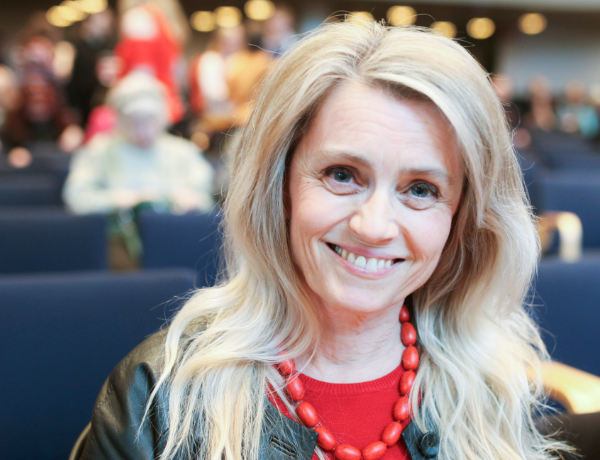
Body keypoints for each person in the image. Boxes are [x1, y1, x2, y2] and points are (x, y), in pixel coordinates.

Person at [71, 22, 566, 460]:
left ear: (461, 216)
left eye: (421, 189)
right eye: (341, 174)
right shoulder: (159, 396)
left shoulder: (491, 384)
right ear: (279, 185)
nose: (374, 226)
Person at [63, 72, 214, 215]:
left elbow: (207, 199)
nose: (143, 130)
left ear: (162, 117)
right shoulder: (99, 150)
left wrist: (191, 200)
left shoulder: (183, 151)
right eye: (134, 122)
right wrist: (115, 200)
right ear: (120, 121)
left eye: (150, 120)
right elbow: (76, 198)